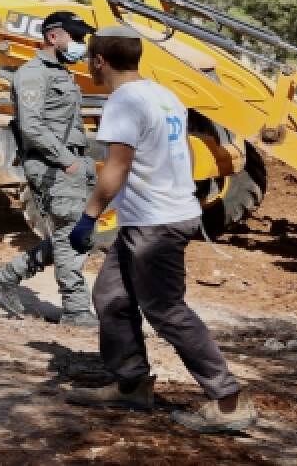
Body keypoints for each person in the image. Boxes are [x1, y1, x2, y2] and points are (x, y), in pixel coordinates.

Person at [65, 26, 258, 433]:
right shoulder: (163, 94)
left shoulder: (124, 101)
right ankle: (132, 384)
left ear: (99, 61)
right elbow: (183, 151)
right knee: (112, 296)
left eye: (89, 59)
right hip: (152, 217)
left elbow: (117, 166)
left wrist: (89, 217)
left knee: (166, 310)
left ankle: (228, 401)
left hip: (156, 224)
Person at [0, 11, 98, 327]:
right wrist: (67, 160)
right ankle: (76, 311)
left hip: (74, 163)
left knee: (78, 234)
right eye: (75, 37)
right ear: (53, 37)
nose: (80, 45)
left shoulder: (61, 72)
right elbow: (31, 126)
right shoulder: (33, 74)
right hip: (54, 165)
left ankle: (8, 275)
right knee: (69, 236)